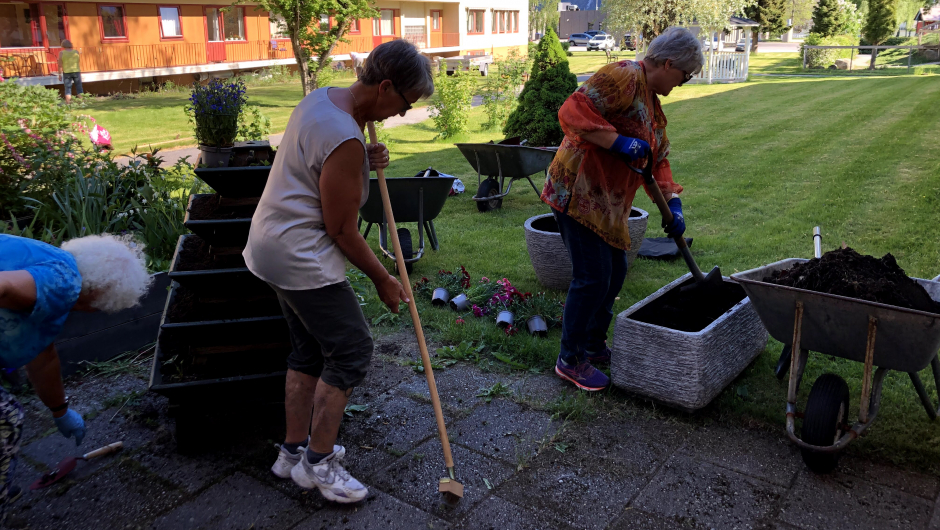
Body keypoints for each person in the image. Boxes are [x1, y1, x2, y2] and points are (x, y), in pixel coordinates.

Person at [243, 39, 434, 503]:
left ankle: (292, 452)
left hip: (268, 246)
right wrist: (384, 278)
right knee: (351, 351)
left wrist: (364, 158)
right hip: (300, 256)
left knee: (308, 351)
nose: (403, 113)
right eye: (405, 103)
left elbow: (321, 163)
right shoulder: (346, 138)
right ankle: (319, 464)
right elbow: (343, 230)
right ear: (385, 86)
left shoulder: (323, 100)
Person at [542, 27, 704, 391]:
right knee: (593, 277)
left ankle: (593, 344)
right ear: (668, 64)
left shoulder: (652, 107)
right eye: (685, 75)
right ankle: (570, 359)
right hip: (578, 192)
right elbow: (572, 111)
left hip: (608, 205)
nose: (684, 82)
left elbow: (657, 162)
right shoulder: (625, 75)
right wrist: (617, 142)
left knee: (615, 272)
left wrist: (674, 206)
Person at [0, 233, 152, 518]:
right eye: (100, 305)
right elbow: (3, 287)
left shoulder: (52, 268)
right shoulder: (64, 282)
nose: (94, 311)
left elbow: (42, 357)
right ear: (99, 292)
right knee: (5, 419)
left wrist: (60, 411)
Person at [57, 40, 82, 105]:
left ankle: (68, 103)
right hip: (76, 71)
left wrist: (59, 74)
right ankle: (82, 103)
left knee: (68, 88)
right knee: (79, 87)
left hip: (67, 72)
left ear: (63, 45)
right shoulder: (76, 52)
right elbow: (78, 61)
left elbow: (60, 65)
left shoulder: (61, 53)